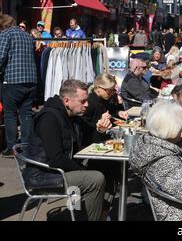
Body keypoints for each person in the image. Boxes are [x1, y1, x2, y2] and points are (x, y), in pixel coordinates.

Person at [24, 80, 105, 221]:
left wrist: (100, 129)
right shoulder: (49, 118)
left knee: (105, 167)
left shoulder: (71, 115)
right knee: (96, 179)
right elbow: (56, 159)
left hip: (58, 171)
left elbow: (89, 137)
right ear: (67, 101)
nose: (87, 104)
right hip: (43, 176)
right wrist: (81, 170)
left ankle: (96, 214)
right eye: (83, 101)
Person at [0, 14, 37, 157]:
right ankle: (26, 146)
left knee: (10, 114)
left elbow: (1, 56)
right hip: (31, 80)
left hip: (13, 80)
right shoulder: (27, 35)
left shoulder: (5, 34)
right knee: (26, 114)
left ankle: (11, 147)